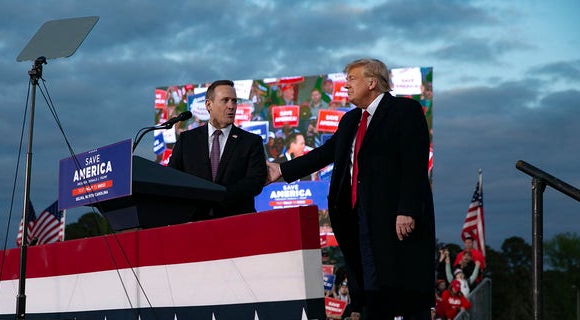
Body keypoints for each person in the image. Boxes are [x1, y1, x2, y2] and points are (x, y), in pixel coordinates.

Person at [266, 58, 435, 319]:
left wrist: (407, 209)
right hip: (355, 217)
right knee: (369, 287)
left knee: (403, 290)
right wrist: (281, 170)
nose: (346, 85)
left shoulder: (404, 110)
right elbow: (326, 153)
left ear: (372, 82)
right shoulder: (350, 120)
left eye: (352, 79)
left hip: (393, 217)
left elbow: (414, 163)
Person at [168, 80, 267, 220]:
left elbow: (254, 182)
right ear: (209, 105)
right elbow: (173, 177)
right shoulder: (187, 140)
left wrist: (218, 195)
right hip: (194, 223)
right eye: (225, 101)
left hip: (237, 222)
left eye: (234, 101)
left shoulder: (251, 142)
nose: (231, 106)